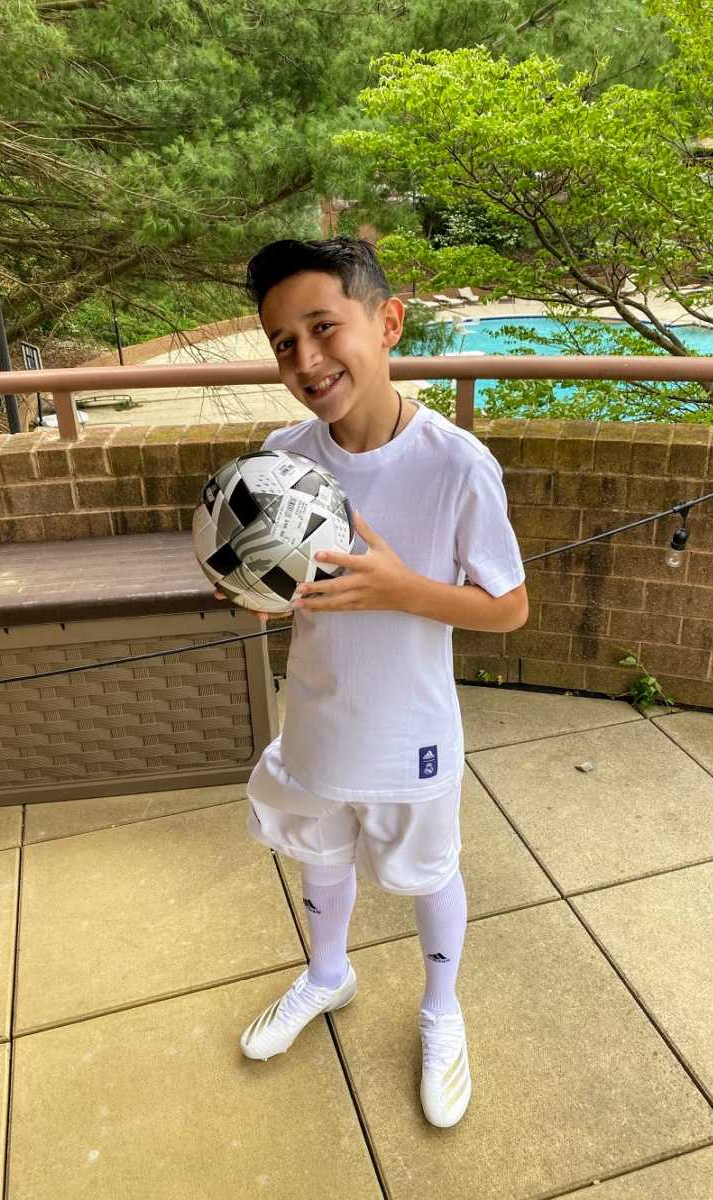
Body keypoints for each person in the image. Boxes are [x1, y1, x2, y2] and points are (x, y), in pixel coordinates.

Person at [224, 236, 528, 1128]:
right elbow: (279, 590)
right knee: (319, 851)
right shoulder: (282, 457)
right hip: (318, 714)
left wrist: (403, 590)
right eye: (284, 342)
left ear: (386, 321)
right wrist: (258, 596)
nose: (307, 360)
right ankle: (328, 974)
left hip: (413, 729)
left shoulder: (456, 464)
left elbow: (507, 608)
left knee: (428, 871)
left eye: (324, 328)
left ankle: (441, 1011)